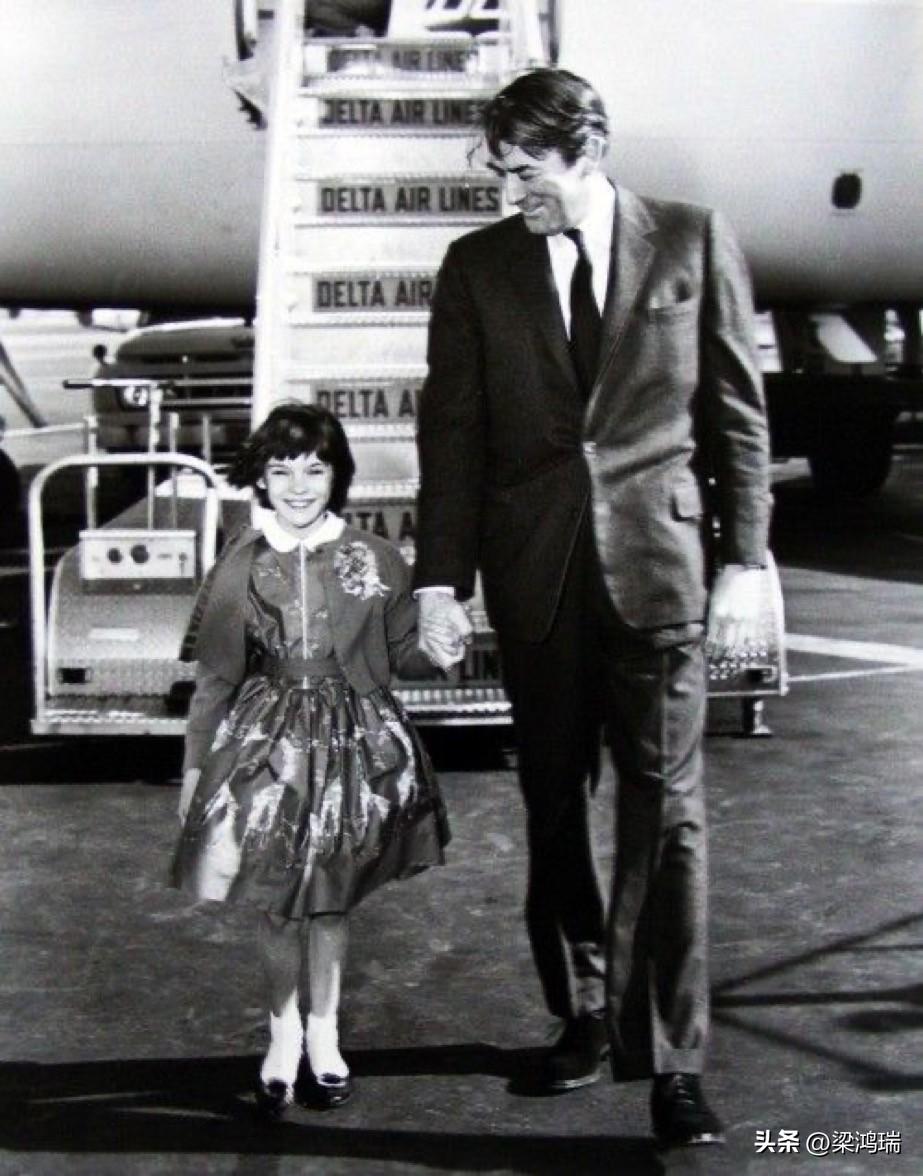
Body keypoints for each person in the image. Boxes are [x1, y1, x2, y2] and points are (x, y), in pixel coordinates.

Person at [414, 68, 771, 1148]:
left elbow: (737, 414)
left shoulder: (691, 239)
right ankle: (581, 1015)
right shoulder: (476, 267)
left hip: (659, 571)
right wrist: (440, 581)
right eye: (499, 172)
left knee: (667, 815)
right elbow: (452, 436)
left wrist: (744, 561)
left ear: (589, 150)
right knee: (553, 803)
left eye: (526, 171)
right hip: (537, 576)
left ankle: (671, 1057)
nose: (509, 192)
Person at [172, 402, 453, 1119]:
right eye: (281, 471)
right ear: (261, 480)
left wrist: (437, 648)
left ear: (338, 476)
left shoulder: (376, 556)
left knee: (329, 903)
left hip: (355, 745)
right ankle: (282, 1036)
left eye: (315, 470)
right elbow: (214, 681)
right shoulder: (238, 561)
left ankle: (324, 1036)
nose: (298, 487)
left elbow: (401, 655)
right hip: (265, 749)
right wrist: (195, 771)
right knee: (276, 904)